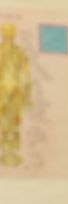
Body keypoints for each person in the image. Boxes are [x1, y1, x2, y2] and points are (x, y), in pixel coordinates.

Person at [0, 23, 31, 168]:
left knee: (12, 123)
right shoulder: (13, 52)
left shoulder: (19, 52)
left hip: (13, 91)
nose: (8, 34)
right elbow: (26, 76)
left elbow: (26, 75)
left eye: (9, 32)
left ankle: (11, 153)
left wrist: (26, 95)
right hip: (5, 91)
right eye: (7, 32)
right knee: (7, 123)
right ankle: (8, 153)